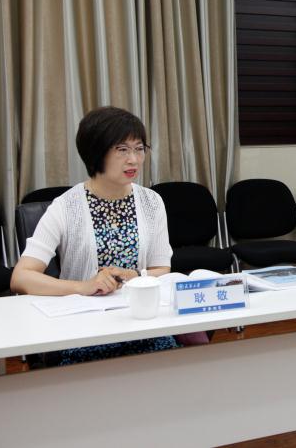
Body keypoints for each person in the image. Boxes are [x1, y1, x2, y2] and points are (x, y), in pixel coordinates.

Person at [11, 106, 177, 364]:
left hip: (140, 323)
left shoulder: (151, 202)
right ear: (96, 153)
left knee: (171, 364)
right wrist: (83, 287)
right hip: (84, 330)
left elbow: (162, 269)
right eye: (122, 150)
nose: (134, 160)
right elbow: (21, 277)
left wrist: (136, 275)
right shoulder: (66, 207)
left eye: (139, 148)